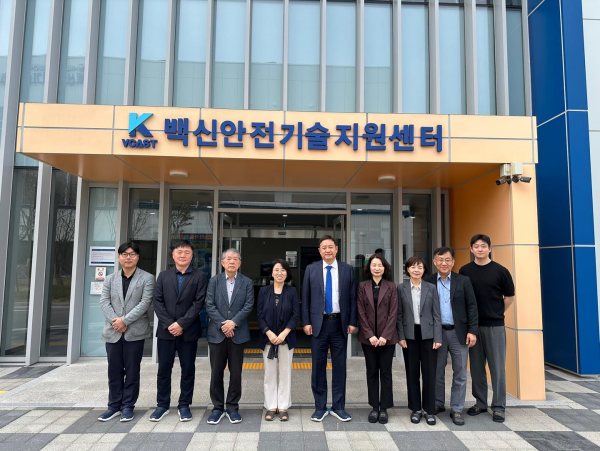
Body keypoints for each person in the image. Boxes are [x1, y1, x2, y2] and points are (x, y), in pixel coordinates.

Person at [459, 234, 515, 423]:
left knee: (497, 368)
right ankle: (480, 403)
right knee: (476, 368)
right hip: (473, 327)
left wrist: (497, 312)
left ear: (490, 249)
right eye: (476, 246)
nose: (480, 249)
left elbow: (509, 297)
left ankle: (498, 406)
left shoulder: (501, 271)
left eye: (483, 246)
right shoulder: (465, 270)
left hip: (494, 326)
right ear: (471, 249)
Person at [302, 235, 357, 422]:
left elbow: (353, 298)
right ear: (319, 251)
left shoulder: (347, 270)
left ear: (336, 249)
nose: (327, 250)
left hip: (340, 323)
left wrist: (352, 321)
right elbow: (305, 297)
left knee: (339, 366)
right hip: (319, 324)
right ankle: (320, 407)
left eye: (330, 247)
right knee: (318, 367)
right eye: (324, 247)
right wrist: (306, 322)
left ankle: (339, 407)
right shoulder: (311, 269)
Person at [151, 240, 207, 422]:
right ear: (173, 255)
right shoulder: (163, 276)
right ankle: (162, 405)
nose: (183, 255)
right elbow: (157, 301)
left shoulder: (200, 276)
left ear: (192, 255)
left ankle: (184, 405)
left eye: (187, 252)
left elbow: (198, 303)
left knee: (188, 369)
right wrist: (170, 324)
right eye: (179, 251)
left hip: (188, 331)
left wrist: (181, 324)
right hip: (166, 331)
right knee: (164, 369)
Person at [98, 242, 154, 422]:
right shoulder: (110, 279)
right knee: (114, 370)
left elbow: (145, 303)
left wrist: (125, 321)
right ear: (119, 257)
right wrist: (116, 321)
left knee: (132, 371)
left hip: (134, 332)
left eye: (132, 254)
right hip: (113, 331)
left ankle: (128, 406)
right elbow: (104, 302)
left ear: (137, 257)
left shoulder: (147, 278)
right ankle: (114, 406)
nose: (128, 257)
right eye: (124, 254)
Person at [424, 247, 479, 426]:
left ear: (453, 262)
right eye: (440, 260)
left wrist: (472, 330)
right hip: (437, 333)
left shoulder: (463, 281)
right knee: (437, 370)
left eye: (447, 260)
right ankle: (438, 403)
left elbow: (472, 306)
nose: (444, 263)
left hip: (459, 332)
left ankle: (456, 408)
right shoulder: (428, 281)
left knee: (460, 372)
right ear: (435, 262)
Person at [205, 248, 254, 425]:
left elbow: (248, 305)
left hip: (238, 334)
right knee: (216, 373)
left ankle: (233, 407)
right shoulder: (214, 281)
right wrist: (223, 324)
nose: (232, 261)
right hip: (217, 334)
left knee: (236, 373)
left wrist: (233, 323)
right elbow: (209, 305)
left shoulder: (247, 282)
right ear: (222, 262)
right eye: (228, 259)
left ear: (239, 263)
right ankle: (217, 408)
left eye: (235, 259)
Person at [397, 256, 442, 425]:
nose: (416, 270)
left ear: (424, 270)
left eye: (420, 267)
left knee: (429, 374)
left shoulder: (431, 288)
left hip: (429, 336)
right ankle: (415, 409)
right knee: (412, 373)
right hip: (410, 335)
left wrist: (438, 337)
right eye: (413, 267)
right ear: (407, 269)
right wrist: (401, 336)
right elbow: (399, 315)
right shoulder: (401, 288)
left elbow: (437, 314)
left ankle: (429, 410)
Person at [357, 253, 398, 424]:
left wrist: (384, 336)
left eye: (380, 265)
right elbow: (361, 312)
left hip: (387, 338)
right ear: (369, 268)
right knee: (372, 371)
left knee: (386, 372)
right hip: (369, 338)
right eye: (374, 265)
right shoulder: (362, 286)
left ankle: (384, 408)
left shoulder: (391, 286)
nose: (376, 268)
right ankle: (374, 406)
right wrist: (370, 335)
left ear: (385, 268)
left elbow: (393, 313)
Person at [256, 259, 299, 421]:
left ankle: (283, 406)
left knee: (285, 373)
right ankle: (271, 405)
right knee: (269, 373)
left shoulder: (292, 291)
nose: (279, 273)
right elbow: (259, 314)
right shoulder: (263, 291)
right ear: (271, 273)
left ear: (287, 273)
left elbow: (295, 315)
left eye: (283, 270)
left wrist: (284, 334)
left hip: (286, 339)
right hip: (268, 338)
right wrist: (269, 333)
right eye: (276, 270)